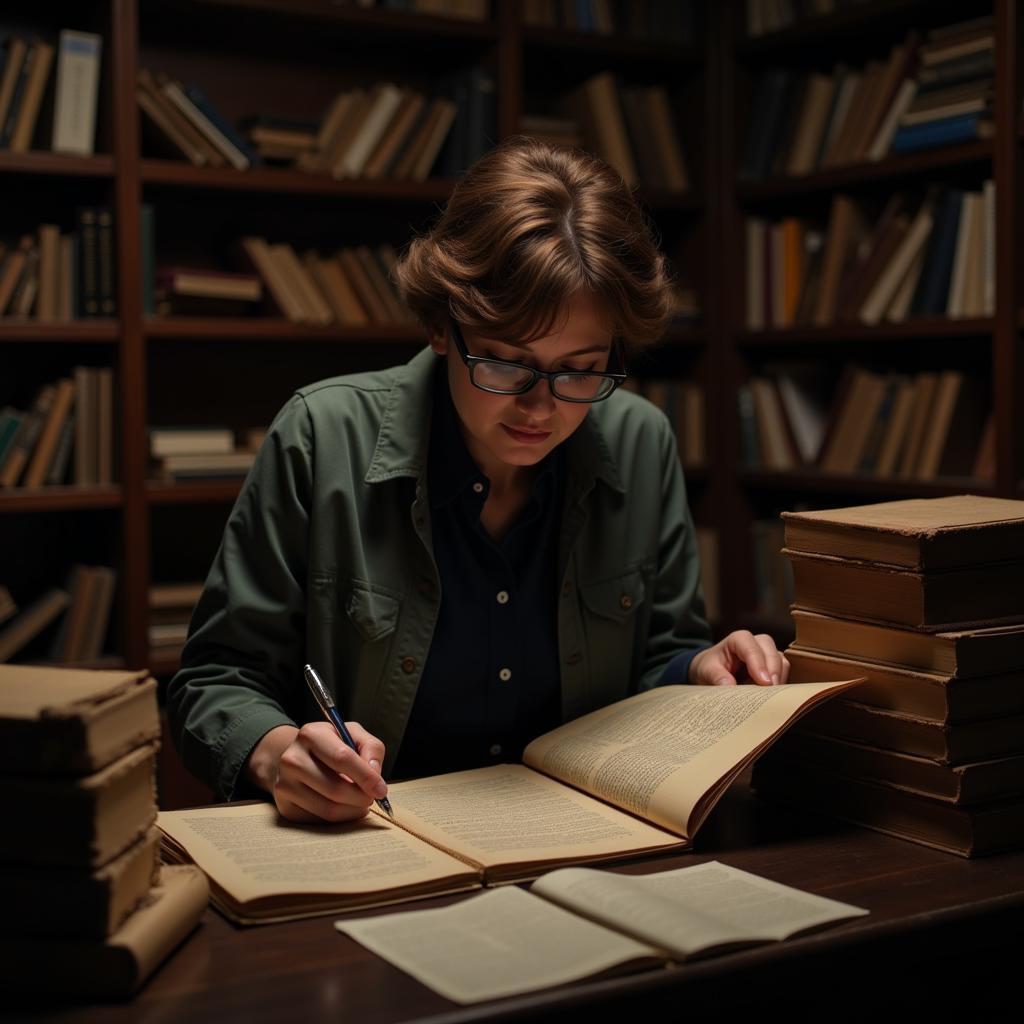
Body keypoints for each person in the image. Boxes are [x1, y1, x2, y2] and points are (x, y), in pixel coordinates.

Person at [167, 137, 790, 825]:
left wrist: (698, 672)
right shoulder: (321, 436)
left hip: (580, 839)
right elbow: (213, 681)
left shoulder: (640, 441)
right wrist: (276, 749)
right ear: (441, 326)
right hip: (377, 841)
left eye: (581, 367)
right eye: (506, 363)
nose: (541, 406)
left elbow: (658, 655)